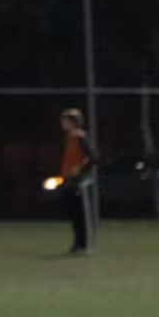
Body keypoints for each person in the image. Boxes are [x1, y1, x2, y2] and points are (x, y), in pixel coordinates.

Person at [56, 107, 97, 254]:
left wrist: (81, 171)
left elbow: (93, 157)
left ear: (73, 122)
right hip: (69, 181)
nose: (62, 124)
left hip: (78, 182)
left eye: (65, 121)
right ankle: (77, 243)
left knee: (81, 214)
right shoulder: (70, 138)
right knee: (73, 214)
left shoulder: (80, 137)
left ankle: (85, 244)